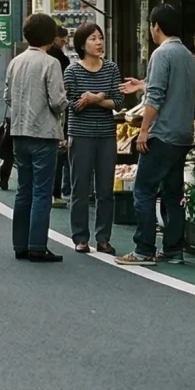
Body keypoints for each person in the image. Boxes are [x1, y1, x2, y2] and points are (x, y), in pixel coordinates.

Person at [118, 3, 195, 266]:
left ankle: (144, 250)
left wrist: (143, 130)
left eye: (151, 25)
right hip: (184, 133)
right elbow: (168, 88)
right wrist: (141, 84)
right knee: (173, 194)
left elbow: (156, 96)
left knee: (144, 190)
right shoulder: (187, 54)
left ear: (156, 27)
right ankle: (174, 249)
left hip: (162, 133)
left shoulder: (161, 54)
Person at [5, 13, 68, 262]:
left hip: (19, 131)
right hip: (44, 133)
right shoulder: (51, 63)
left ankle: (20, 243)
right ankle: (37, 245)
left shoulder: (15, 61)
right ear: (51, 38)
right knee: (42, 192)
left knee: (24, 190)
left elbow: (7, 97)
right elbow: (57, 102)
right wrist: (68, 99)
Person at [64, 22, 123, 256]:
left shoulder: (111, 68)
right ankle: (80, 237)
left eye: (100, 38)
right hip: (80, 134)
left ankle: (103, 238)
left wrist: (95, 98)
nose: (99, 42)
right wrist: (97, 98)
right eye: (93, 39)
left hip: (107, 134)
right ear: (81, 44)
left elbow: (117, 102)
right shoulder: (72, 71)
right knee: (80, 186)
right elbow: (73, 104)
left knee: (105, 189)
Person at [48, 25, 72, 209]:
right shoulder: (59, 60)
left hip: (28, 124)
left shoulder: (21, 60)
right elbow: (59, 97)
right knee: (58, 154)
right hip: (55, 115)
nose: (64, 43)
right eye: (62, 40)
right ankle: (55, 192)